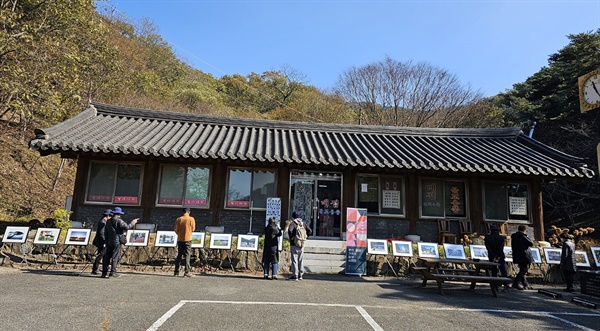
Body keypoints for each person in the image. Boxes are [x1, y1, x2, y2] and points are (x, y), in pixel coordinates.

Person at [102, 207, 138, 278]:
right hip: (117, 241)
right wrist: (133, 222)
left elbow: (106, 232)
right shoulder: (119, 221)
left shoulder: (108, 221)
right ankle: (113, 272)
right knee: (115, 257)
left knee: (107, 257)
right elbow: (127, 227)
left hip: (109, 241)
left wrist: (106, 240)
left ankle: (104, 272)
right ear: (119, 214)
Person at [484, 224, 510, 292]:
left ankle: (495, 286)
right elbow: (501, 248)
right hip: (500, 256)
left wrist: (493, 256)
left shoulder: (487, 237)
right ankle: (506, 285)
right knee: (503, 270)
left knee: (494, 271)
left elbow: (488, 248)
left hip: (491, 256)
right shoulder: (501, 238)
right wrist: (498, 256)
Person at [287, 210, 312, 281]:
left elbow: (290, 230)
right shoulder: (303, 224)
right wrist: (306, 237)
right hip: (302, 244)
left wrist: (292, 237)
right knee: (301, 259)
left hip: (294, 244)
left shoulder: (293, 223)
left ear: (293, 217)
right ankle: (301, 275)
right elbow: (310, 231)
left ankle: (295, 275)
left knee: (294, 260)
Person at [510, 225, 534, 290]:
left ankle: (525, 283)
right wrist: (527, 236)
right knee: (524, 269)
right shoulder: (523, 236)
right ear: (524, 230)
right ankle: (516, 283)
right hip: (524, 255)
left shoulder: (514, 236)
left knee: (522, 269)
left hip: (517, 255)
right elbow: (530, 243)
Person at [174, 208, 196, 277]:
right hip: (188, 239)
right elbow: (193, 229)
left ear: (183, 212)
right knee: (187, 255)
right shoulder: (191, 219)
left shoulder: (179, 219)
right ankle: (187, 272)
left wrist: (180, 234)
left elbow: (176, 229)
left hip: (180, 239)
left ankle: (176, 272)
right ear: (189, 212)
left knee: (179, 255)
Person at [91, 209, 112, 275]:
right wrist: (104, 241)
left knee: (102, 255)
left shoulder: (102, 221)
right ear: (108, 216)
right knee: (100, 255)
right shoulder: (103, 222)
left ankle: (102, 268)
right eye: (110, 216)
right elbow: (101, 233)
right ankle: (95, 268)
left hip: (100, 241)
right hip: (102, 242)